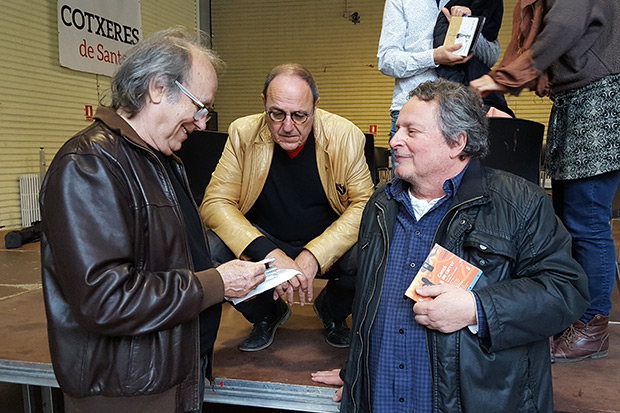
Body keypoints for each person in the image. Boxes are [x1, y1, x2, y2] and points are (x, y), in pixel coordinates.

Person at [312, 79, 589, 412]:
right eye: (397, 128)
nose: (395, 140)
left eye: (411, 131)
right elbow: (371, 305)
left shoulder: (519, 204)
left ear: (457, 142)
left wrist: (477, 309)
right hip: (381, 397)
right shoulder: (381, 203)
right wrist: (355, 373)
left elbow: (565, 291)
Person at [39, 28, 266, 413]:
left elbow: (167, 263)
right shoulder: (90, 165)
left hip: (168, 375)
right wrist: (216, 282)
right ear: (159, 88)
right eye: (200, 106)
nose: (201, 122)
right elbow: (105, 299)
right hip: (127, 393)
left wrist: (224, 281)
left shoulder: (162, 163)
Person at [470, 0, 620, 363]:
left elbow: (563, 26)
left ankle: (592, 325)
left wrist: (502, 79)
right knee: (568, 220)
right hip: (575, 100)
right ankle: (571, 315)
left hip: (599, 100)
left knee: (588, 221)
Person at [200, 63, 375, 352]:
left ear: (316, 107)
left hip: (326, 243)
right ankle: (267, 314)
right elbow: (215, 202)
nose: (288, 126)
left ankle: (332, 311)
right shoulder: (242, 133)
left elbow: (364, 205)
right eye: (276, 114)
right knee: (206, 251)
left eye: (300, 115)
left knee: (373, 248)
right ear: (264, 104)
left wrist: (314, 255)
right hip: (266, 239)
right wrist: (265, 251)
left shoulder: (346, 135)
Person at [377, 0, 502, 167]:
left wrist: (469, 26)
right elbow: (387, 61)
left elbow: (491, 57)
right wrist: (433, 57)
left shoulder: (470, 1)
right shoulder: (400, 1)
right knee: (408, 188)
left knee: (467, 188)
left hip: (459, 114)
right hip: (411, 115)